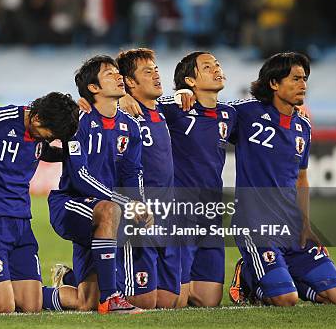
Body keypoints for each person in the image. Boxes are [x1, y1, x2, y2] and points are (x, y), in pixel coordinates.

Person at [228, 52, 336, 306]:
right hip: (255, 225)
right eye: (295, 79)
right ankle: (249, 278)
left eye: (304, 79)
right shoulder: (246, 113)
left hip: (291, 227)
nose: (302, 85)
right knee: (286, 300)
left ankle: (273, 273)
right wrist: (185, 94)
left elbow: (301, 179)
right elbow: (210, 114)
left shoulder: (302, 126)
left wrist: (305, 223)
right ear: (274, 83)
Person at [118, 51, 236, 307]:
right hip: (175, 211)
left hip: (211, 211)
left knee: (207, 301)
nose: (216, 68)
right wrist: (123, 96)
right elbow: (106, 104)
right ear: (190, 81)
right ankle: (92, 281)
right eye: (207, 66)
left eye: (217, 64)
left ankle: (245, 278)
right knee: (169, 301)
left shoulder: (230, 114)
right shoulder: (171, 109)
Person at [47, 55, 148, 314]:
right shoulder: (77, 121)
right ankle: (112, 298)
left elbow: (132, 172)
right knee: (108, 210)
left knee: (87, 302)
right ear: (93, 88)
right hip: (70, 204)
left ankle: (53, 287)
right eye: (109, 74)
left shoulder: (130, 127)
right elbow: (79, 176)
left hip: (106, 210)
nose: (118, 76)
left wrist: (139, 202)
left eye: (118, 72)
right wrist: (125, 203)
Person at [0, 91, 79, 313]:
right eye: (46, 135)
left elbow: (43, 151)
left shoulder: (40, 135)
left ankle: (6, 289)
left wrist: (71, 154)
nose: (46, 140)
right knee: (2, 307)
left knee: (31, 306)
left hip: (21, 221)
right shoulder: (0, 120)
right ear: (36, 117)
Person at [114, 48, 181, 309]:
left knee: (168, 301)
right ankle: (83, 280)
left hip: (169, 212)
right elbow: (89, 108)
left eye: (156, 70)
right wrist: (120, 100)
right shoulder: (122, 114)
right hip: (141, 213)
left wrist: (185, 92)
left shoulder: (164, 110)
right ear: (130, 82)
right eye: (147, 71)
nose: (156, 75)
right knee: (144, 301)